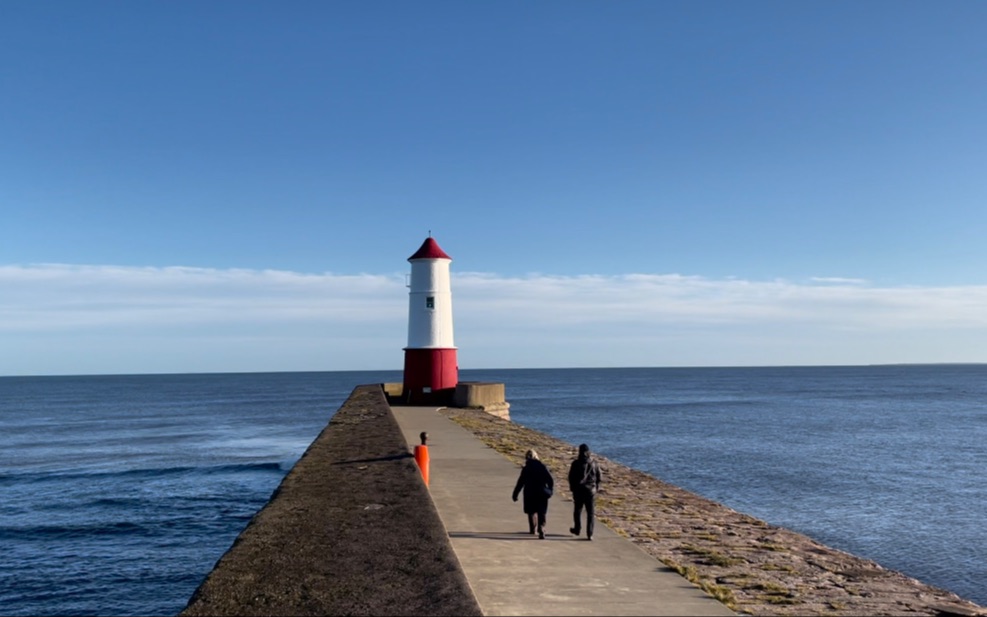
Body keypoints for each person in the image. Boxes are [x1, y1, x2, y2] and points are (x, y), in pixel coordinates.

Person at [512, 449, 554, 539]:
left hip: (529, 492)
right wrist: (550, 490)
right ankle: (541, 529)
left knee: (531, 511)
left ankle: (533, 529)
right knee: (541, 512)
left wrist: (515, 494)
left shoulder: (526, 468)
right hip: (541, 491)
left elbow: (520, 482)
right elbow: (550, 480)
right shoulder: (542, 466)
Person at [568, 443, 601, 540]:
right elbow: (599, 477)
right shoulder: (594, 463)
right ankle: (589, 533)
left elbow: (571, 477)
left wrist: (572, 488)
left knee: (577, 511)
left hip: (578, 490)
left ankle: (577, 528)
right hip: (591, 491)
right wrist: (596, 487)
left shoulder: (575, 463)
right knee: (590, 513)